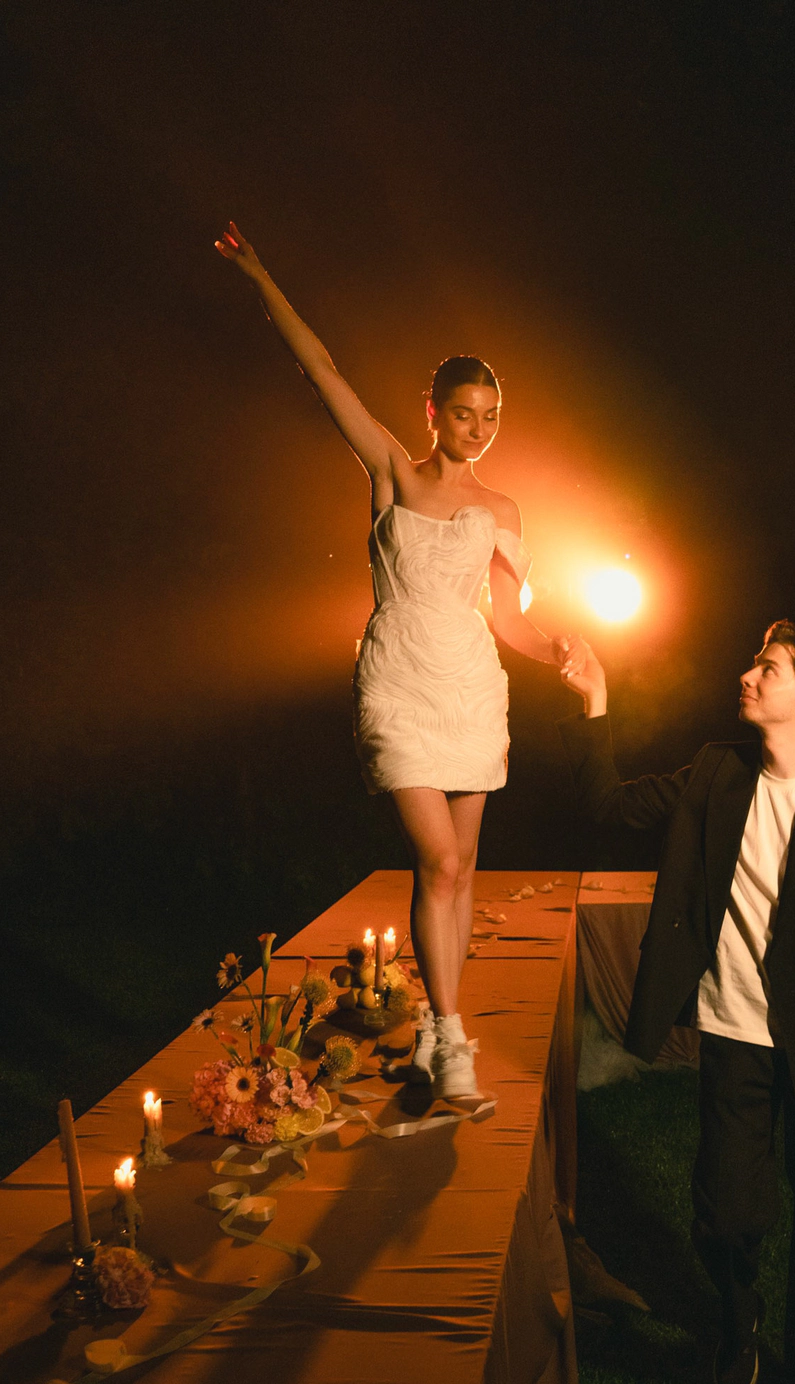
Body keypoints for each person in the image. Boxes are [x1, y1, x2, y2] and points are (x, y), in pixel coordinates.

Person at [215, 223, 583, 1098]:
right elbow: (323, 371)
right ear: (433, 412)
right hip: (399, 677)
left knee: (460, 870)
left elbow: (510, 622)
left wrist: (559, 649)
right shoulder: (392, 471)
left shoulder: (503, 510)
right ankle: (451, 1040)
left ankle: (433, 1033)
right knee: (441, 862)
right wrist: (261, 276)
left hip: (471, 685)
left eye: (491, 417)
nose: (477, 430)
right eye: (463, 414)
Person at [559, 621, 795, 1384]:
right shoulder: (716, 771)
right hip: (733, 1032)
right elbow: (610, 804)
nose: (749, 676)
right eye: (755, 662)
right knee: (724, 1214)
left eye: (770, 667)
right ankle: (738, 1316)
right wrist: (595, 702)